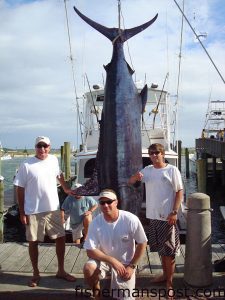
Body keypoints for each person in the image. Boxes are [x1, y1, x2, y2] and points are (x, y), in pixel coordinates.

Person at [13, 136, 76, 287]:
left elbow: (59, 174)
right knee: (33, 242)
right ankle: (35, 273)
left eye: (45, 146)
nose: (42, 149)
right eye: (39, 146)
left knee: (60, 238)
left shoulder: (54, 159)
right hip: (33, 211)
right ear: (35, 147)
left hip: (53, 209)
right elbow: (19, 189)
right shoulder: (26, 165)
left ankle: (61, 270)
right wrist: (22, 213)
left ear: (49, 146)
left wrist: (66, 188)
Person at [128, 143, 183, 298]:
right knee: (160, 250)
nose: (153, 156)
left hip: (167, 217)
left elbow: (179, 191)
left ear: (163, 153)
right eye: (151, 153)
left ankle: (169, 283)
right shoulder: (148, 171)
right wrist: (135, 178)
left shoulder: (172, 170)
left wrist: (174, 212)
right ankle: (164, 275)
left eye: (156, 153)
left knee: (169, 252)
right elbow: (130, 182)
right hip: (152, 217)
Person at [83, 189, 147, 299]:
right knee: (88, 268)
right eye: (102, 202)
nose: (106, 205)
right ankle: (96, 293)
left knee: (126, 298)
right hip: (104, 260)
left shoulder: (130, 219)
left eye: (109, 201)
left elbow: (142, 242)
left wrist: (132, 266)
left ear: (116, 202)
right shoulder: (95, 222)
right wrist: (112, 260)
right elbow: (90, 250)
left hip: (126, 264)